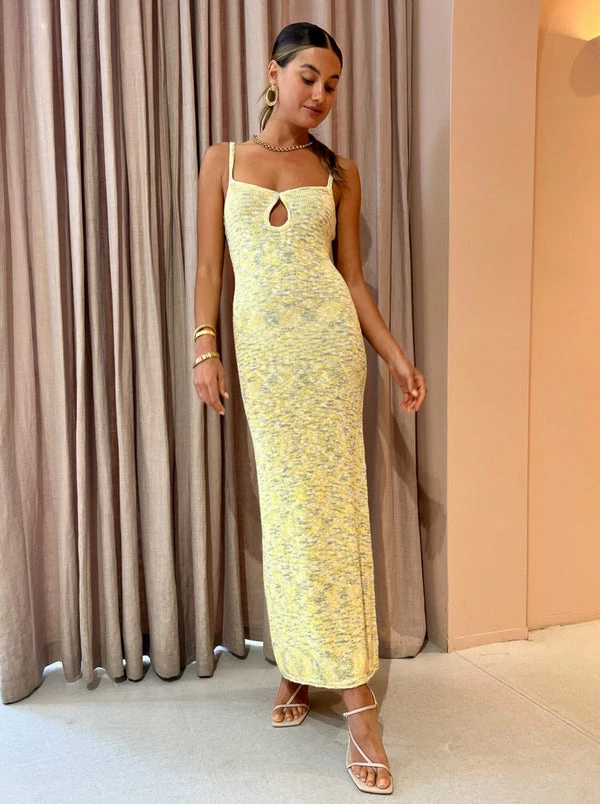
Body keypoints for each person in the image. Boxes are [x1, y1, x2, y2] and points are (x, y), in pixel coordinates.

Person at [193, 21, 426, 796]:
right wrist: (203, 349)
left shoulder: (340, 174)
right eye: (308, 78)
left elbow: (352, 280)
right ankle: (298, 663)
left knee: (333, 511)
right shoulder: (223, 160)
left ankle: (357, 703)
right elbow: (209, 272)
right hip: (265, 362)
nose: (321, 95)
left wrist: (394, 357)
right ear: (274, 74)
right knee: (289, 512)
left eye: (332, 85)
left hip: (329, 357)